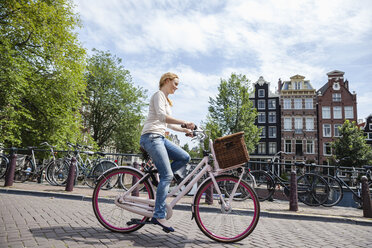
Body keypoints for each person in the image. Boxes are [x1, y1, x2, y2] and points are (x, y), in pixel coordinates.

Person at [140, 72, 195, 232]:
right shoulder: (158, 95)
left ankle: (162, 176)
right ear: (167, 81)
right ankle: (158, 215)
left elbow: (169, 125)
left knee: (185, 157)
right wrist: (185, 122)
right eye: (176, 84)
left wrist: (185, 130)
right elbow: (161, 117)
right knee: (167, 176)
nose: (177, 88)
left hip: (160, 137)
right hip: (151, 137)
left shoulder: (166, 100)